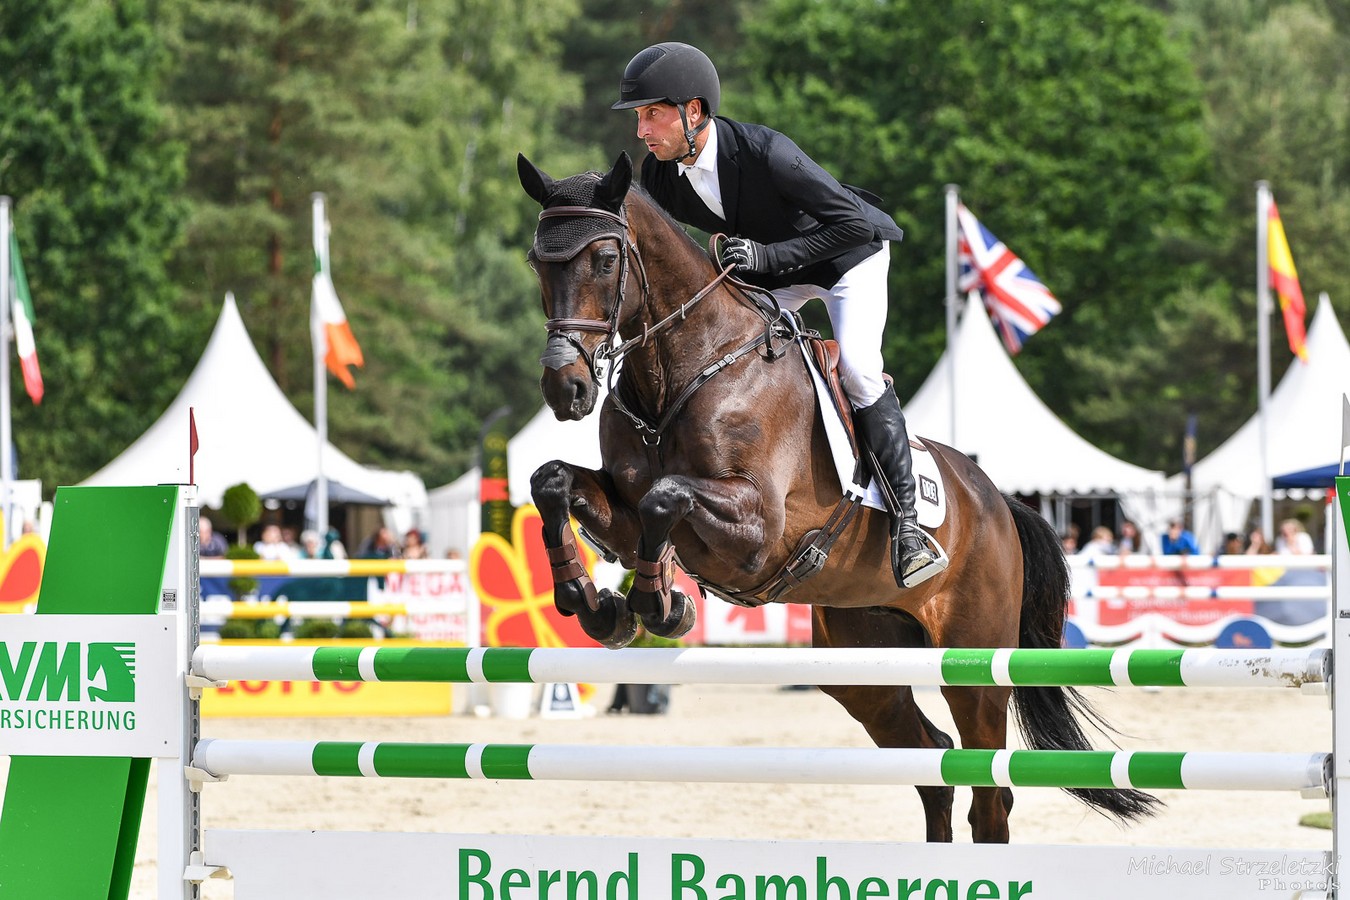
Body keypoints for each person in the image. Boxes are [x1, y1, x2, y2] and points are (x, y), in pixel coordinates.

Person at [612, 42, 938, 589]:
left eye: (652, 114)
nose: (641, 130)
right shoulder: (661, 174)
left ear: (693, 111)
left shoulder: (767, 153)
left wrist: (766, 258)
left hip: (847, 260)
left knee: (858, 370)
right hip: (771, 273)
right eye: (639, 117)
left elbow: (854, 224)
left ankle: (908, 526)